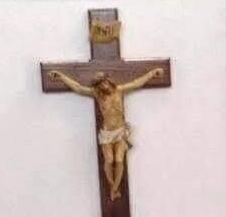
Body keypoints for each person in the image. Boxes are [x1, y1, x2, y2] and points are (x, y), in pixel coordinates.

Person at [49, 67, 164, 200]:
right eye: (100, 84)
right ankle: (112, 187)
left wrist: (152, 73)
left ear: (108, 81)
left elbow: (137, 83)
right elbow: (78, 87)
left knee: (119, 159)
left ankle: (114, 189)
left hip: (120, 132)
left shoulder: (119, 90)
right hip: (107, 134)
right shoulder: (98, 95)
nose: (104, 86)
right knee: (109, 160)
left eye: (105, 82)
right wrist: (61, 76)